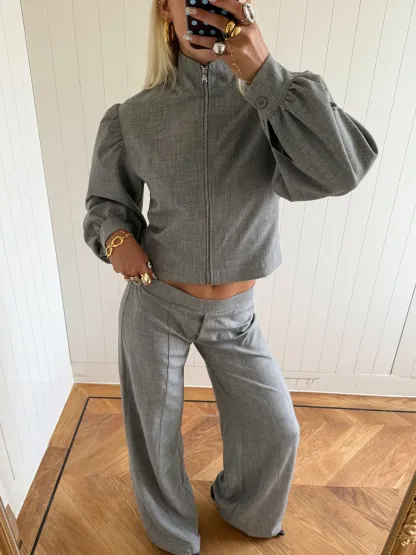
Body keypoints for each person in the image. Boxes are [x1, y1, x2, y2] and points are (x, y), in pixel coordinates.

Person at [82, 1, 379, 554]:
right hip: (156, 305)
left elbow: (343, 170)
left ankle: (245, 507)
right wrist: (117, 238)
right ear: (165, 11)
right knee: (154, 433)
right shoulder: (131, 117)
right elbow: (106, 203)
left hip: (235, 315)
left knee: (277, 430)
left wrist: (266, 75)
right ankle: (173, 535)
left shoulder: (275, 103)